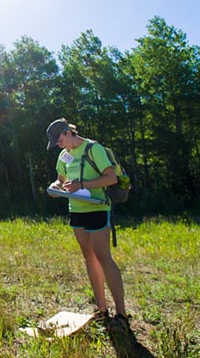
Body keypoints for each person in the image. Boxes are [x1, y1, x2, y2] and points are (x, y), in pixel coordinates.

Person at [46, 118, 129, 327]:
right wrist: (55, 187)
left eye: (59, 139)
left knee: (103, 258)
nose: (58, 144)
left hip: (97, 208)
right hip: (76, 211)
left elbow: (111, 178)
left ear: (68, 132)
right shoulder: (63, 155)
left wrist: (83, 184)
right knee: (89, 258)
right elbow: (61, 180)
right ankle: (102, 310)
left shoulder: (94, 149)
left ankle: (121, 314)